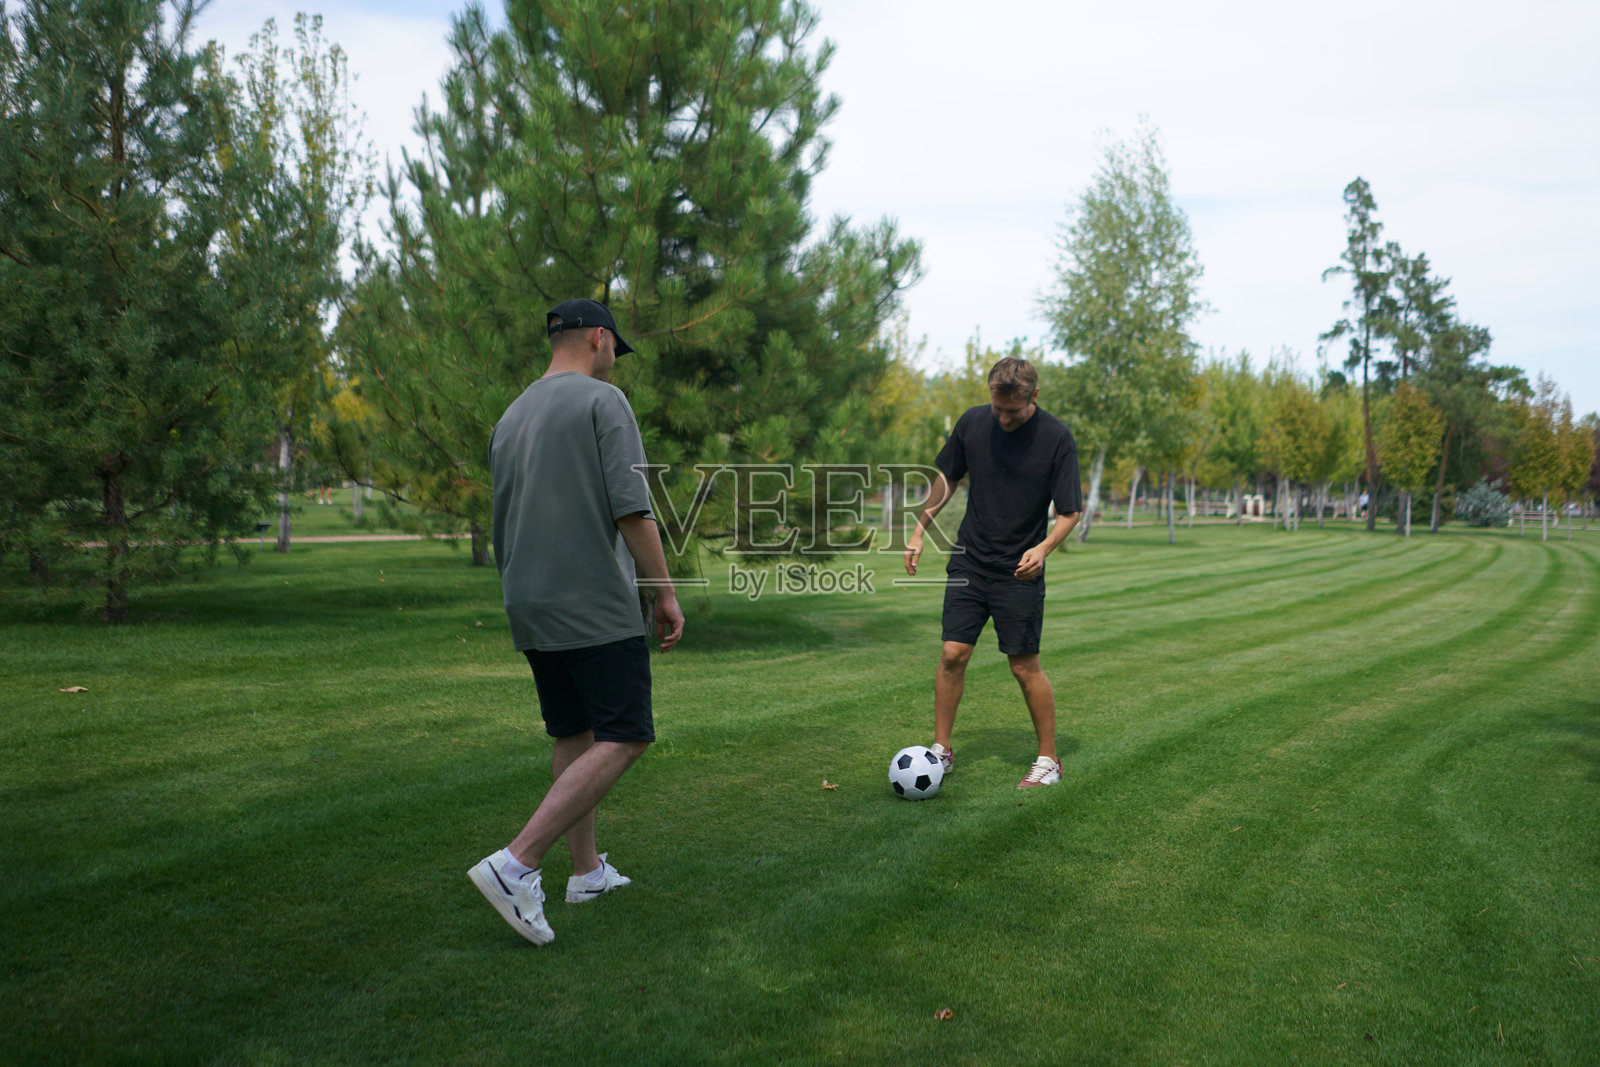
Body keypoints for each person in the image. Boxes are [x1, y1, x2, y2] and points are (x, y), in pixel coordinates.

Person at [468, 298, 684, 946]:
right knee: (628, 733)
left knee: (575, 730)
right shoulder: (602, 402)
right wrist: (665, 592)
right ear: (598, 337)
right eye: (615, 346)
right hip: (591, 598)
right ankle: (517, 862)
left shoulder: (511, 416)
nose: (615, 358)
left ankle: (585, 871)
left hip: (529, 599)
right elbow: (633, 510)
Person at [903, 356, 1082, 789]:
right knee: (952, 654)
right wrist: (917, 532)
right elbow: (946, 479)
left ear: (1033, 396)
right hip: (970, 558)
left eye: (1013, 411)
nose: (1003, 417)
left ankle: (1048, 760)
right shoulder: (972, 423)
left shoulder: (1057, 437)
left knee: (1023, 666)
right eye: (997, 408)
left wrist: (1043, 548)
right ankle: (941, 751)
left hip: (1019, 569)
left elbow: (1070, 512)